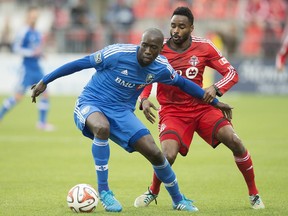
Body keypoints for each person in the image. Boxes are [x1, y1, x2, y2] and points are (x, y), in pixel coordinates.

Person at [31, 28, 232, 212]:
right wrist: (45, 81)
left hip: (122, 112)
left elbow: (184, 84)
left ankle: (178, 199)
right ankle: (105, 193)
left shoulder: (161, 67)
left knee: (154, 152)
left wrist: (214, 102)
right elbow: (79, 63)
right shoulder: (116, 54)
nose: (147, 51)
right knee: (102, 128)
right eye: (144, 45)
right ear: (140, 43)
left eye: (153, 48)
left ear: (159, 50)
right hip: (92, 103)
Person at [134, 7, 265, 210]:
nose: (175, 31)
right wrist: (143, 99)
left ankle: (254, 194)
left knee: (235, 142)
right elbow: (146, 76)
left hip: (202, 108)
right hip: (173, 111)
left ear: (191, 28)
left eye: (181, 26)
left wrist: (216, 88)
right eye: (173, 26)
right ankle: (153, 191)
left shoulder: (204, 47)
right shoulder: (160, 49)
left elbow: (231, 73)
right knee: (167, 155)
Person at [0, 6, 54, 131]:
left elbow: (37, 49)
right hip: (27, 69)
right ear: (28, 17)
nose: (34, 19)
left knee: (45, 94)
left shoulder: (37, 33)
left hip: (37, 68)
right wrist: (31, 52)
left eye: (36, 17)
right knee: (18, 97)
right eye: (32, 17)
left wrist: (41, 54)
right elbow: (16, 48)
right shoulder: (23, 31)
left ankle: (41, 123)